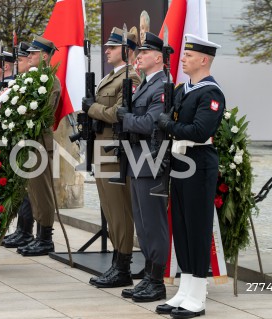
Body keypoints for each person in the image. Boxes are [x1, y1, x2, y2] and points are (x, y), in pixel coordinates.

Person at [155, 34, 225, 319]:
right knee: (181, 228)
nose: (183, 58)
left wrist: (169, 125)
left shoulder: (211, 93)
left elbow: (199, 131)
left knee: (196, 228)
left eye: (189, 55)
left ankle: (198, 296)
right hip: (182, 161)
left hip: (199, 162)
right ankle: (184, 291)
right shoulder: (185, 89)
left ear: (204, 60)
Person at [83, 27, 140, 288]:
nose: (107, 50)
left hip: (115, 152)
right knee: (108, 208)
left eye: (113, 47)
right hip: (102, 150)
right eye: (107, 46)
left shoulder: (132, 76)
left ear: (127, 51)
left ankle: (123, 267)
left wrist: (92, 108)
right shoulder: (111, 76)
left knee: (119, 211)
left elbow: (119, 112)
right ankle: (118, 261)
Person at [116, 32, 169, 302]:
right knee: (142, 223)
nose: (139, 56)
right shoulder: (147, 84)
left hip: (150, 160)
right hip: (137, 159)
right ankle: (148, 276)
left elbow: (151, 124)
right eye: (139, 53)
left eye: (144, 53)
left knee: (153, 223)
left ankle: (157, 281)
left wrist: (126, 119)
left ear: (158, 57)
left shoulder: (161, 85)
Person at [16, 35, 61, 257]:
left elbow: (46, 113)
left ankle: (46, 238)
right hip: (27, 141)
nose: (29, 56)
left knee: (41, 192)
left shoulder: (50, 81)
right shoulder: (32, 78)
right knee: (32, 191)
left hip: (40, 143)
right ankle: (36, 235)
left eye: (33, 53)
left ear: (44, 56)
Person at [2, 41, 35, 249]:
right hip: (18, 141)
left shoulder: (36, 81)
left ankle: (28, 232)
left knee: (29, 191)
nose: (19, 64)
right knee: (21, 189)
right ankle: (21, 229)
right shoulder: (20, 80)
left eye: (21, 60)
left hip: (31, 143)